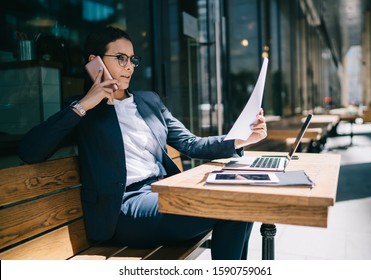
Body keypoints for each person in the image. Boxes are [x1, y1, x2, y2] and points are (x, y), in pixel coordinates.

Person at [18, 26, 267, 260]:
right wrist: (85, 104)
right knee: (233, 206)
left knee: (241, 202)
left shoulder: (149, 101)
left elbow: (191, 144)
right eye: (120, 58)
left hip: (163, 192)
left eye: (132, 59)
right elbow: (30, 151)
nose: (129, 67)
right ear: (95, 61)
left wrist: (242, 138)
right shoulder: (83, 110)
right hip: (124, 209)